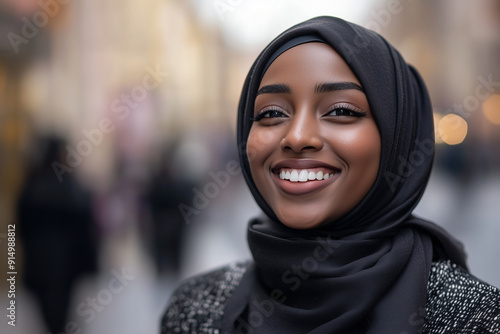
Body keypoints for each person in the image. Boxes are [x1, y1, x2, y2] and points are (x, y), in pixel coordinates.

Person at [160, 16, 500, 333]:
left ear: (397, 138)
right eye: (271, 113)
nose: (296, 137)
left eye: (340, 110)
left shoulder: (472, 317)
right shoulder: (195, 311)